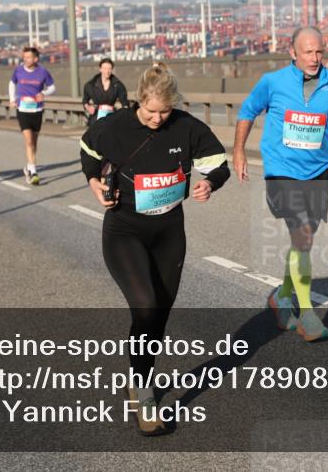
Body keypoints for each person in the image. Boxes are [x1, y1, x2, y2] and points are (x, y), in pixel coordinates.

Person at [80, 62, 229, 436]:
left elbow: (219, 165)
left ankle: (139, 376)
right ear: (138, 102)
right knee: (145, 306)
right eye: (150, 111)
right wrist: (94, 182)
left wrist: (210, 183)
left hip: (168, 231)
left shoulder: (186, 127)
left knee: (158, 314)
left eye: (164, 111)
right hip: (124, 230)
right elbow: (87, 149)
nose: (157, 119)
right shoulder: (114, 127)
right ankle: (145, 394)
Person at [233, 26, 328, 342]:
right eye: (308, 52)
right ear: (293, 53)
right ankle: (307, 314)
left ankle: (281, 297)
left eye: (319, 51)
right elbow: (247, 111)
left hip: (318, 173)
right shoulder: (273, 83)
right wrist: (238, 151)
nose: (315, 58)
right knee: (302, 234)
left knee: (304, 241)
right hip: (281, 171)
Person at [9, 46, 55, 185]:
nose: (25, 59)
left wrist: (44, 94)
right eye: (24, 57)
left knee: (34, 143)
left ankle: (29, 167)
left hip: (37, 110)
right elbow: (12, 83)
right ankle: (34, 171)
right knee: (28, 141)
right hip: (22, 109)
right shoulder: (18, 70)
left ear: (36, 59)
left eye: (28, 57)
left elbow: (52, 87)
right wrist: (12, 99)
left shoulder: (42, 72)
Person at [82, 58, 128, 124]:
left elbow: (124, 102)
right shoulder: (91, 85)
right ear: (100, 69)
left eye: (109, 69)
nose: (107, 71)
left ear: (112, 69)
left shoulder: (117, 85)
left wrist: (124, 112)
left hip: (111, 116)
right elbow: (85, 100)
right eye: (105, 68)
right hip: (96, 117)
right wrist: (88, 107)